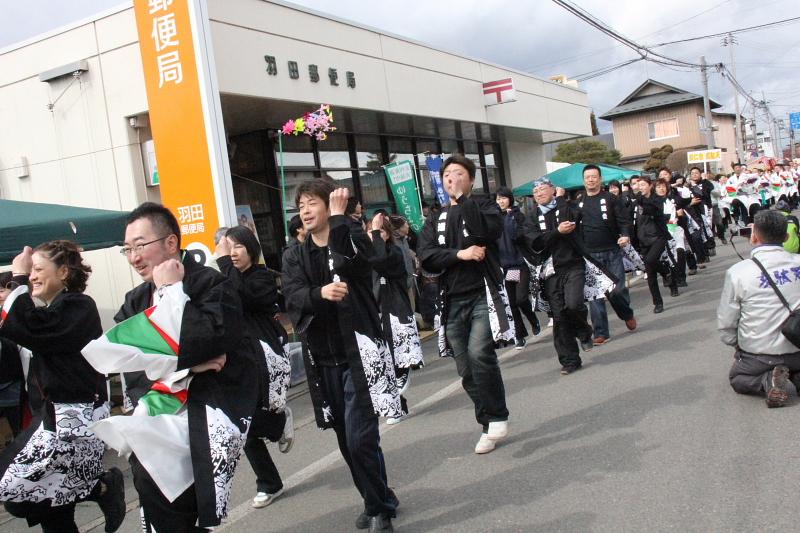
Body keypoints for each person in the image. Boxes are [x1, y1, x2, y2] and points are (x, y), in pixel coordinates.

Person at [83, 203, 259, 531]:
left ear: (170, 243)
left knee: (191, 506)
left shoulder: (209, 283)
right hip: (157, 421)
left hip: (204, 419)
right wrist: (187, 369)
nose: (134, 256)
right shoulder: (135, 299)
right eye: (127, 249)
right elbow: (129, 362)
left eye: (140, 245)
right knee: (165, 511)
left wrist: (171, 291)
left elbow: (214, 339)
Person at [281, 181, 400, 532]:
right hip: (323, 358)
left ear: (329, 205)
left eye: (312, 202)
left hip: (358, 354)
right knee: (345, 437)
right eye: (300, 204)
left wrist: (339, 220)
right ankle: (377, 497)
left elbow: (363, 264)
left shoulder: (349, 237)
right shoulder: (294, 255)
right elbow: (293, 296)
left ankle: (380, 509)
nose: (304, 209)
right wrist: (320, 292)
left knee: (360, 436)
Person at [0, 241, 125, 533]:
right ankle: (100, 488)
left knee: (16, 490)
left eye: (38, 269)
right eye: (30, 272)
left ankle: (101, 485)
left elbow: (27, 327)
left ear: (64, 272)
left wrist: (17, 277)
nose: (31, 276)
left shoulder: (79, 306)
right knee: (53, 511)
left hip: (74, 421)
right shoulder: (54, 308)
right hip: (54, 416)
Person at [417, 154, 512, 455]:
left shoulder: (484, 205)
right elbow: (427, 256)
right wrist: (461, 254)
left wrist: (464, 201)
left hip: (482, 292)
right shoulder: (435, 218)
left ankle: (497, 415)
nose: (451, 179)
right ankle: (487, 421)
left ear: (471, 179)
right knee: (465, 368)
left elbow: (488, 233)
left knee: (479, 352)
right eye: (446, 175)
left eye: (458, 174)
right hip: (451, 299)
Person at [216, 226, 294, 509]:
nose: (232, 253)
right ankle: (269, 482)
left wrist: (225, 264)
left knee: (258, 417)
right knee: (242, 422)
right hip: (237, 357)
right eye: (227, 247)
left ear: (251, 249)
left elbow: (241, 297)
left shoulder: (261, 277)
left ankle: (279, 421)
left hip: (265, 354)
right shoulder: (223, 277)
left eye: (237, 246)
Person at [718, 209, 800, 407]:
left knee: (738, 378)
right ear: (787, 236)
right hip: (798, 345)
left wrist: (736, 345)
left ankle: (767, 382)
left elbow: (727, 322)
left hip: (761, 355)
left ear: (753, 237)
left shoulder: (738, 272)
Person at [524, 178, 596, 374]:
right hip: (550, 272)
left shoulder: (566, 206)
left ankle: (583, 331)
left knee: (573, 304)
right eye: (535, 191)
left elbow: (576, 218)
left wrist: (562, 200)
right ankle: (570, 360)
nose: (538, 193)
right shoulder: (531, 217)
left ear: (553, 190)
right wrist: (556, 232)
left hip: (573, 265)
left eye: (542, 189)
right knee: (559, 316)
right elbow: (536, 242)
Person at [368, 213, 424, 425]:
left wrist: (374, 235)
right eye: (372, 231)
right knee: (381, 362)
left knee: (394, 358)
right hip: (374, 312)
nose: (375, 235)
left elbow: (381, 261)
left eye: (380, 231)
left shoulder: (393, 252)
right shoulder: (365, 255)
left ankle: (402, 375)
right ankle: (397, 406)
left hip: (394, 309)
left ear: (388, 234)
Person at [577, 165, 637, 346]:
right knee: (595, 296)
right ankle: (601, 332)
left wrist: (625, 235)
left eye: (594, 177)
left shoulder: (611, 199)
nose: (591, 180)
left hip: (611, 251)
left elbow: (623, 221)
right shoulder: (578, 202)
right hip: (590, 256)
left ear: (600, 179)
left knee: (616, 291)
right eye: (587, 177)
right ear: (583, 180)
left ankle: (626, 313)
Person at [495, 187, 541, 350]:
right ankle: (519, 335)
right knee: (512, 302)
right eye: (498, 198)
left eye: (503, 198)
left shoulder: (518, 216)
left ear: (510, 199)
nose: (500, 201)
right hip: (506, 267)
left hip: (520, 264)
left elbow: (518, 235)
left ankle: (533, 320)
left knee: (521, 299)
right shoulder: (495, 219)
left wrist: (510, 218)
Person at [633, 175, 679, 313]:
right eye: (637, 185)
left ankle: (665, 272)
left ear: (649, 185)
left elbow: (653, 210)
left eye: (642, 185)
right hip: (643, 239)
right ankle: (658, 303)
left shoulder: (657, 199)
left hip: (658, 237)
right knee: (651, 274)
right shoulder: (636, 202)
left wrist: (640, 201)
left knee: (651, 259)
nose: (639, 187)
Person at [0, 272, 24, 439]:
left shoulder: (24, 314)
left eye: (2, 290)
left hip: (16, 384)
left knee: (20, 429)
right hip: (5, 381)